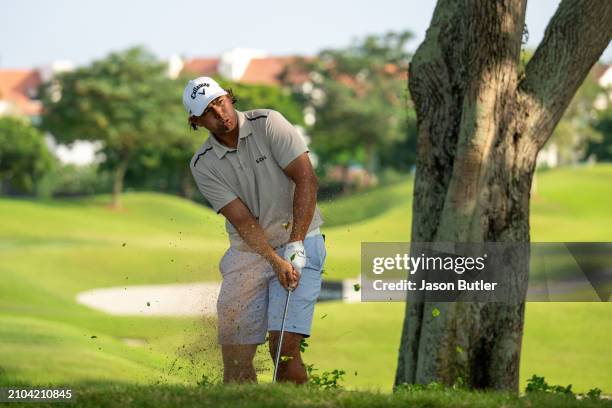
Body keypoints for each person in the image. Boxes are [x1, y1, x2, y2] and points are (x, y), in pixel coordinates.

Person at [184, 77, 326, 384]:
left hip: (302, 240)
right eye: (209, 111)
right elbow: (243, 221)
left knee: (283, 351)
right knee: (235, 362)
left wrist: (296, 242)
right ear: (197, 121)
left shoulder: (268, 123)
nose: (220, 113)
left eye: (221, 102)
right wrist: (275, 261)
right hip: (249, 253)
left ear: (229, 97)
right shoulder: (203, 164)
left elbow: (306, 179)